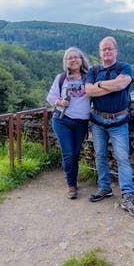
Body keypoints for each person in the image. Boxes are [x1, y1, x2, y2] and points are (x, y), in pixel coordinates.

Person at [85, 36, 134, 218]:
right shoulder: (93, 70)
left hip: (119, 121)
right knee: (100, 155)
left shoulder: (125, 67)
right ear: (99, 52)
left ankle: (127, 195)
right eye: (104, 49)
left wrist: (100, 84)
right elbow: (88, 91)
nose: (107, 52)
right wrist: (110, 86)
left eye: (110, 49)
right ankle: (105, 188)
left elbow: (121, 84)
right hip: (98, 121)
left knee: (122, 158)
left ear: (116, 51)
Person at [47, 47, 92, 200]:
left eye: (76, 57)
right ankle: (71, 185)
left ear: (81, 59)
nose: (73, 60)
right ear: (66, 62)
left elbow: (98, 91)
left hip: (81, 122)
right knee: (68, 153)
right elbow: (50, 97)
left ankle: (72, 180)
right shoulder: (61, 78)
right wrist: (60, 101)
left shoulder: (89, 77)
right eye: (69, 58)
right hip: (62, 120)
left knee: (75, 153)